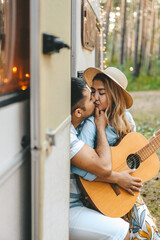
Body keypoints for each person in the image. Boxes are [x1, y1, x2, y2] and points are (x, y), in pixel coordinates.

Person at [73, 67, 160, 239]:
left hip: (123, 192)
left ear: (113, 95)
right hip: (99, 192)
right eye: (93, 91)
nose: (95, 98)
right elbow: (79, 169)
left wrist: (151, 145)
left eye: (101, 93)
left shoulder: (127, 120)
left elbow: (131, 155)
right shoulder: (92, 124)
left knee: (151, 232)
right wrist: (116, 178)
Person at [70, 77, 131, 240]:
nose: (95, 99)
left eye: (100, 93)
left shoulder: (79, 124)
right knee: (123, 231)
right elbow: (102, 167)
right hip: (70, 208)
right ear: (78, 112)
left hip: (91, 198)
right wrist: (100, 127)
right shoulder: (77, 133)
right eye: (91, 96)